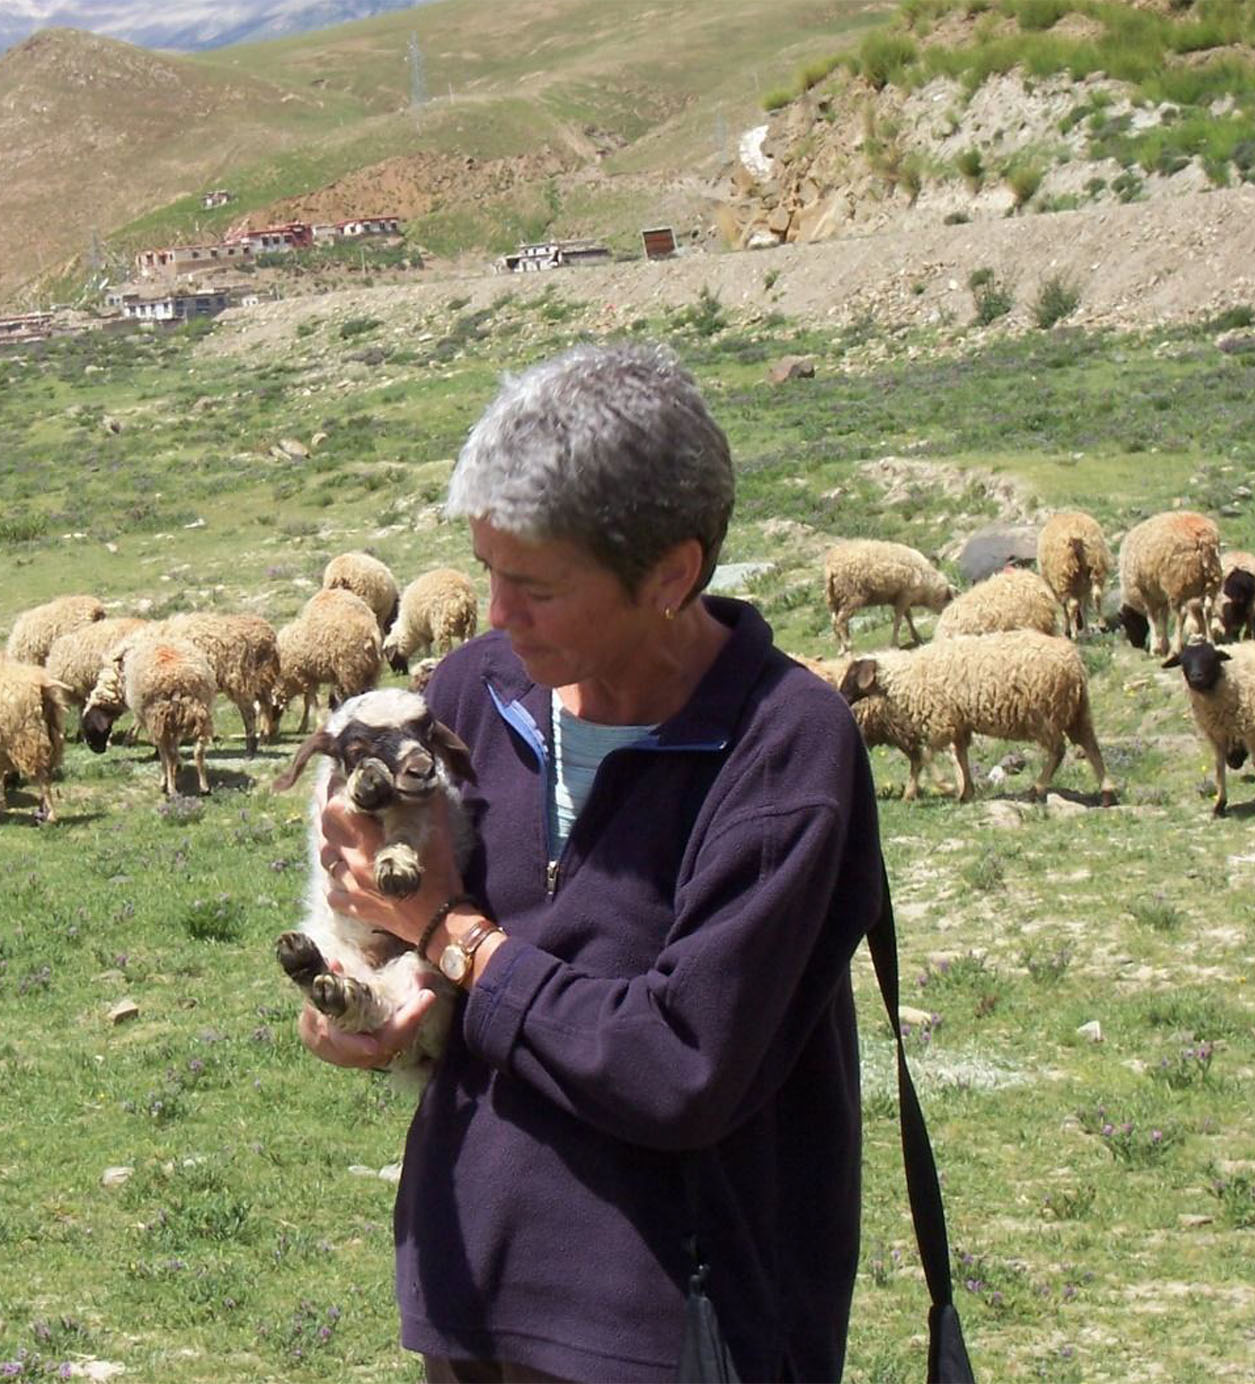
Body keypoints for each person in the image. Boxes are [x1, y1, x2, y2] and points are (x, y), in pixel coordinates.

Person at [301, 342, 886, 1382]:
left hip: (682, 1333)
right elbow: (410, 925)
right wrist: (367, 997)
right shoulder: (481, 691)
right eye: (486, 569)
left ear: (672, 572)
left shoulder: (784, 750)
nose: (493, 614)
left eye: (534, 586)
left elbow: (682, 1065)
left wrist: (455, 938)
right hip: (472, 1299)